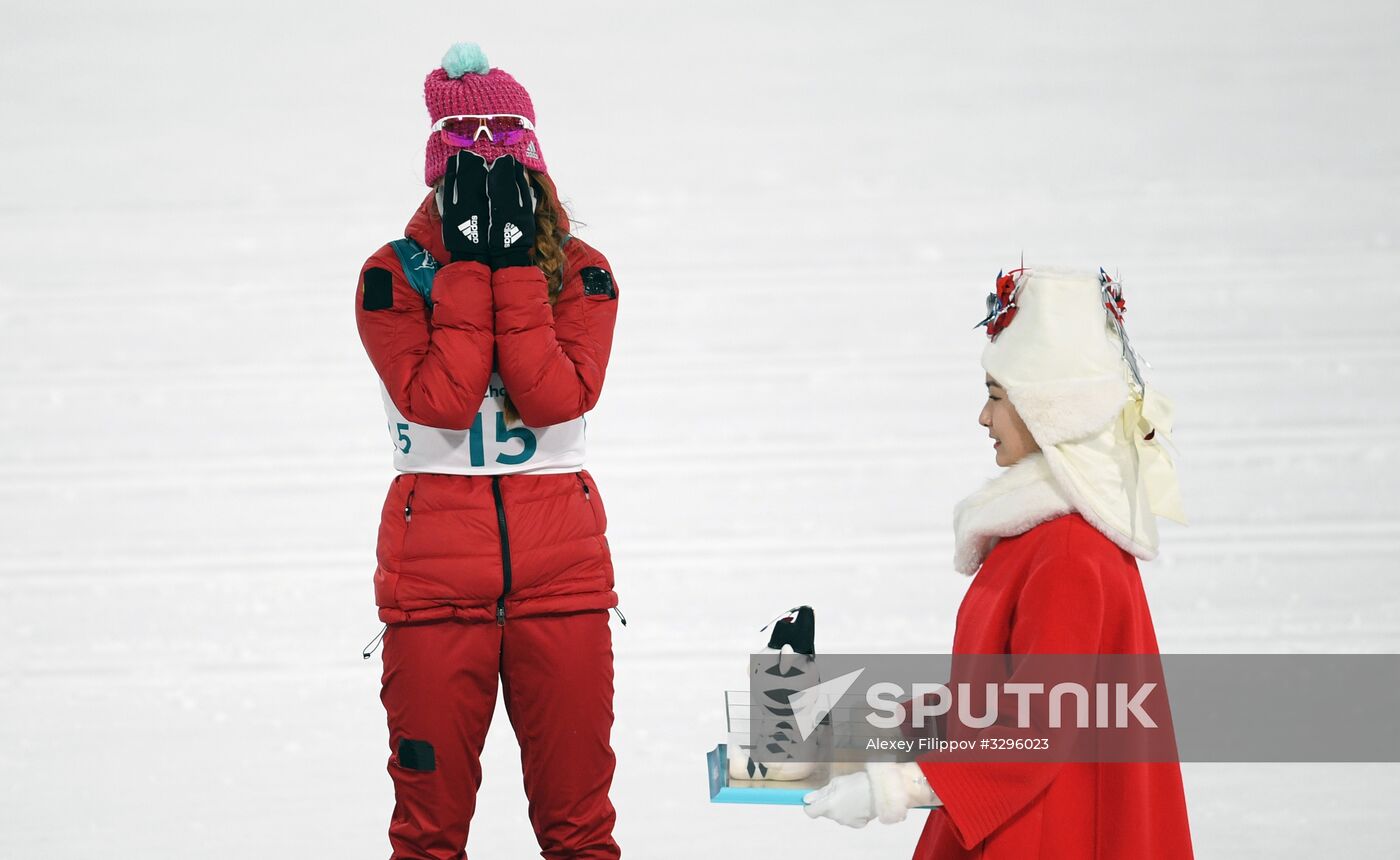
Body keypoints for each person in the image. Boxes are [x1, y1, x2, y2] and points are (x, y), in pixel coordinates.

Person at [802, 266, 1194, 858]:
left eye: (995, 397)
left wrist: (899, 787)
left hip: (1045, 833)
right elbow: (994, 700)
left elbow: (1035, 729)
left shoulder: (1067, 553)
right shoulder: (1040, 538)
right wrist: (869, 736)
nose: (983, 418)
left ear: (1049, 408)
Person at [354, 42, 623, 859]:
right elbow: (440, 399)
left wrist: (512, 269)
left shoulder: (582, 273)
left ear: (534, 161)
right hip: (432, 591)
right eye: (470, 154)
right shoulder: (390, 276)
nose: (492, 165)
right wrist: (470, 264)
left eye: (507, 147)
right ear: (441, 171)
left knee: (580, 830)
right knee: (428, 836)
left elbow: (555, 396)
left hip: (562, 582)